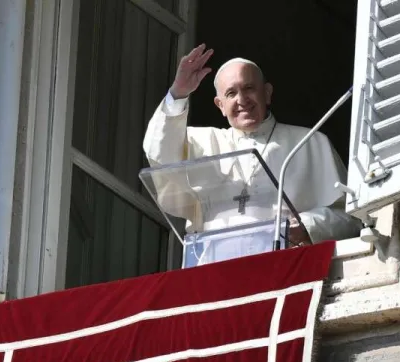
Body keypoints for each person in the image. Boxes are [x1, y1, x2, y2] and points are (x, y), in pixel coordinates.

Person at [143, 44, 361, 256]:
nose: (242, 100)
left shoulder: (309, 142)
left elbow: (351, 218)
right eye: (231, 93)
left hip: (285, 265)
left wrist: (306, 226)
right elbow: (160, 152)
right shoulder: (203, 142)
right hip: (214, 268)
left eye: (249, 88)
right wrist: (178, 93)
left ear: (267, 93)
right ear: (220, 105)